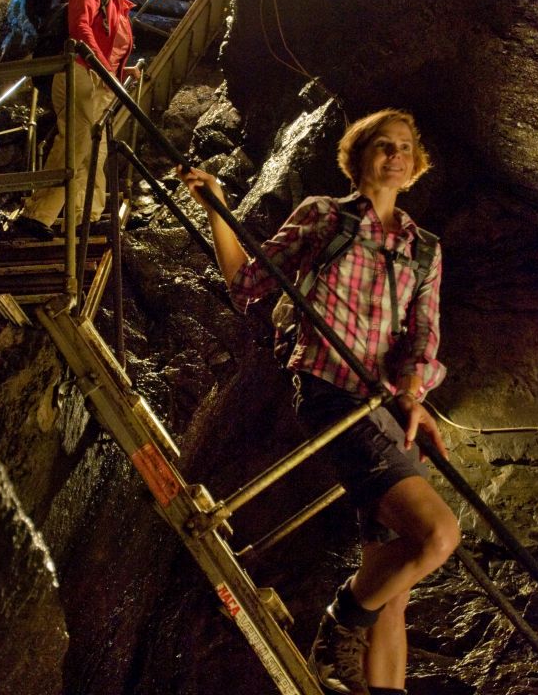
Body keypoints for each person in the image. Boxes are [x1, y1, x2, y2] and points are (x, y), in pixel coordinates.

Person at [178, 109, 461, 695]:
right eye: (383, 146)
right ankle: (339, 625)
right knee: (437, 535)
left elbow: (422, 338)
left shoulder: (424, 250)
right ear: (358, 159)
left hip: (384, 409)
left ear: (416, 166)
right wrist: (217, 208)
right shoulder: (323, 218)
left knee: (396, 584)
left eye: (406, 147)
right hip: (332, 391)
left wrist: (413, 397)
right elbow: (248, 284)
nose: (396, 155)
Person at [11, 0, 142, 240]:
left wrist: (123, 71)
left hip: (103, 82)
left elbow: (110, 49)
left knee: (97, 149)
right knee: (77, 141)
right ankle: (36, 215)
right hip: (80, 70)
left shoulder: (120, 8)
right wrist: (100, 65)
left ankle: (87, 217)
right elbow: (79, 26)